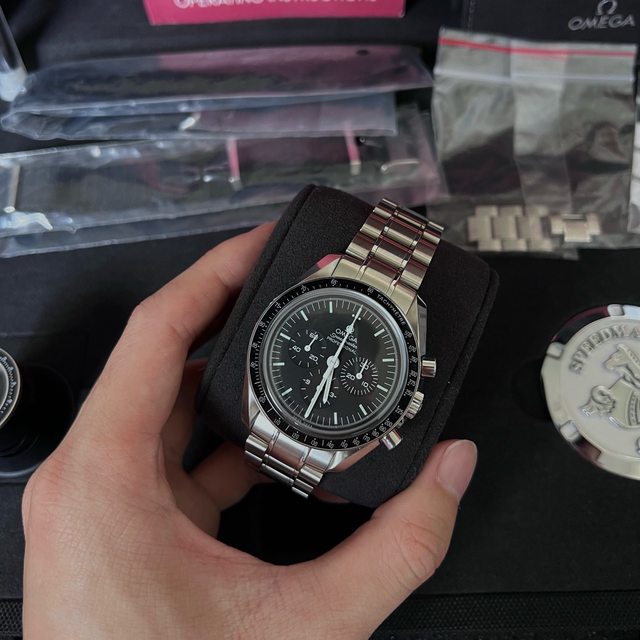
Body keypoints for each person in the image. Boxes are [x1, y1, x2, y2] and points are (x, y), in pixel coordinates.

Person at [21, 223, 477, 639]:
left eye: (345, 366)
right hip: (280, 407)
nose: (333, 362)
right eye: (329, 357)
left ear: (409, 393)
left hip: (323, 418)